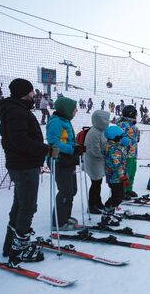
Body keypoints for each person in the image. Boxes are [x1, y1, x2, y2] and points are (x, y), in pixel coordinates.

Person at [0, 78, 49, 267]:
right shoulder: (16, 111)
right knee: (27, 206)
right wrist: (45, 149)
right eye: (31, 92)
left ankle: (11, 243)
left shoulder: (17, 109)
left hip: (23, 165)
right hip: (23, 166)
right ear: (23, 93)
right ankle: (20, 246)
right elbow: (20, 141)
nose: (34, 95)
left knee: (20, 204)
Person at [47, 96, 83, 230]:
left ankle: (65, 216)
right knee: (65, 190)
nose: (76, 111)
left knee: (72, 189)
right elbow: (53, 142)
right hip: (59, 160)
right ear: (66, 109)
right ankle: (59, 222)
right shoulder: (56, 122)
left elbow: (66, 140)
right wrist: (72, 149)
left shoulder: (65, 120)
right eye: (74, 109)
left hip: (67, 160)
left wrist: (76, 146)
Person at [101, 125, 130, 225]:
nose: (122, 139)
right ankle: (106, 213)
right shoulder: (114, 150)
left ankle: (110, 213)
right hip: (116, 178)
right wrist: (123, 177)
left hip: (114, 178)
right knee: (118, 196)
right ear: (116, 137)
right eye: (121, 137)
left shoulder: (113, 147)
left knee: (116, 195)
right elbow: (117, 165)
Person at [84, 110, 110, 214]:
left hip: (98, 162)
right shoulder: (94, 133)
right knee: (95, 184)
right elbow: (94, 150)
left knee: (98, 183)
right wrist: (105, 154)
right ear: (101, 120)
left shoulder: (100, 131)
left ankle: (98, 202)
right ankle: (91, 205)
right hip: (93, 162)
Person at [116, 105, 140, 199]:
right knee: (126, 172)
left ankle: (129, 189)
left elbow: (136, 138)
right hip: (125, 153)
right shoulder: (122, 125)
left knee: (132, 171)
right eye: (135, 113)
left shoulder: (132, 124)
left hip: (132, 152)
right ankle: (123, 191)